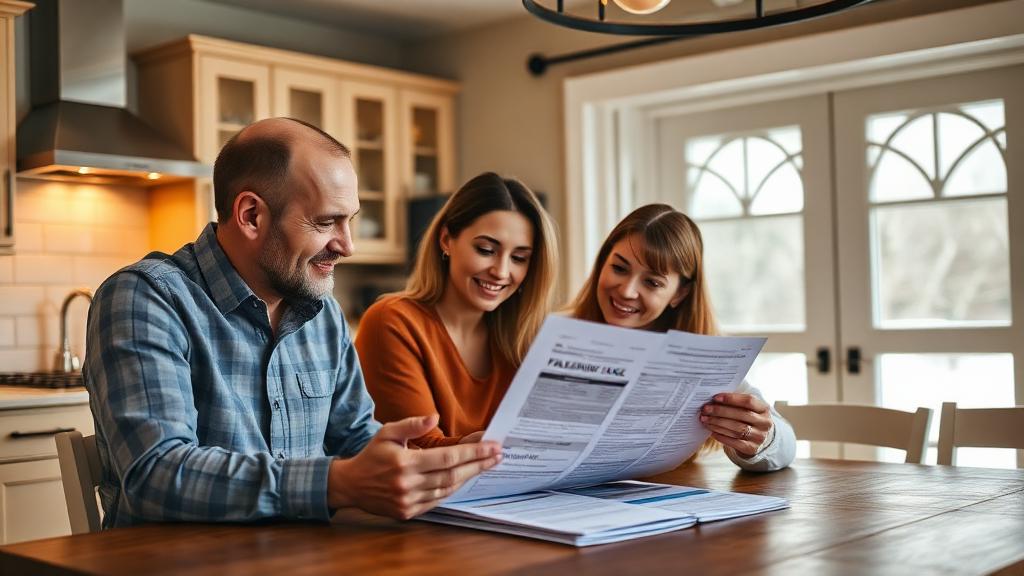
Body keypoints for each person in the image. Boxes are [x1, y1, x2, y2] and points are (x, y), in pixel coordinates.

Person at [83, 118, 502, 528]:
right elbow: (155, 475)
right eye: (325, 222)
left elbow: (354, 441)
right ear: (251, 215)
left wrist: (447, 459)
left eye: (350, 220)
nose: (348, 246)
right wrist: (333, 483)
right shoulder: (147, 298)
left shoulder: (322, 313)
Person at [567, 203, 796, 472]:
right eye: (619, 268)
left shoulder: (700, 356)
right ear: (602, 263)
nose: (627, 291)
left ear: (679, 294)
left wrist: (761, 437)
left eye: (652, 282)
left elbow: (786, 445)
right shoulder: (550, 333)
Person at [356, 173, 558, 448]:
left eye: (519, 258)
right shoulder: (393, 321)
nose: (501, 272)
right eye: (486, 250)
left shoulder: (524, 338)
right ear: (446, 240)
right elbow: (416, 450)